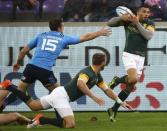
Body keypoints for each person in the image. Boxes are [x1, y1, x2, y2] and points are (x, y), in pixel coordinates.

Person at [0, 18, 111, 112]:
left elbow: (24, 50)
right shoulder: (63, 38)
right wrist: (99, 33)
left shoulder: (41, 36)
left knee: (20, 90)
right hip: (45, 71)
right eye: (63, 25)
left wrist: (18, 63)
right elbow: (84, 37)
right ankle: (61, 118)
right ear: (59, 27)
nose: (63, 27)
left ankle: (5, 102)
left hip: (31, 67)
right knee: (62, 94)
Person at [0, 53, 132, 128]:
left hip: (59, 93)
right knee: (70, 124)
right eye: (105, 62)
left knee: (33, 105)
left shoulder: (97, 76)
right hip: (61, 96)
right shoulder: (87, 72)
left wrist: (120, 102)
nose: (105, 64)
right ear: (103, 62)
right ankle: (42, 120)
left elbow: (107, 90)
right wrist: (93, 97)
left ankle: (9, 86)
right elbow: (81, 84)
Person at [106, 4, 155, 122]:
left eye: (148, 12)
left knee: (130, 86)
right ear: (138, 12)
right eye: (144, 12)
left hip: (141, 57)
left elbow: (148, 36)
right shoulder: (128, 20)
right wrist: (121, 18)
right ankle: (117, 80)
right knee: (133, 79)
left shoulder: (150, 23)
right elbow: (110, 23)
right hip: (129, 54)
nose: (147, 14)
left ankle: (113, 109)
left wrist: (137, 23)